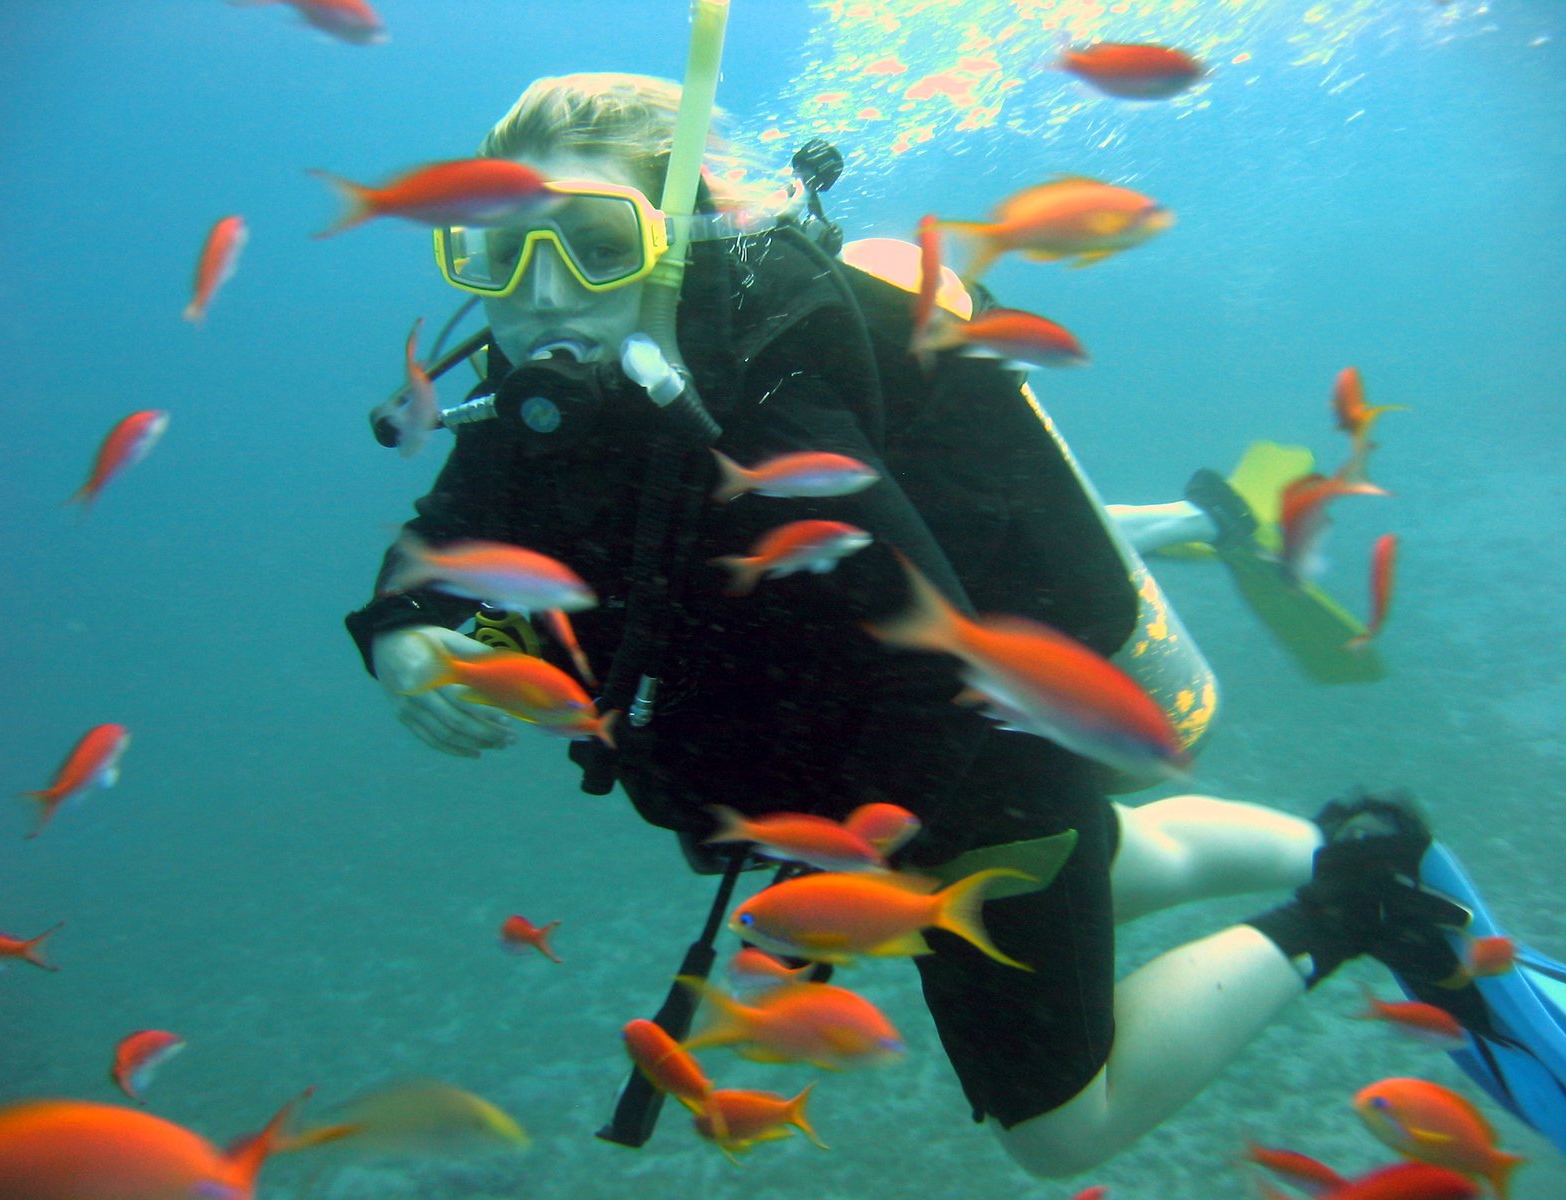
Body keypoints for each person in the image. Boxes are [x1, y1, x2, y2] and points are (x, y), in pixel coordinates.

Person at [343, 72, 1474, 1178]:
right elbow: (447, 534)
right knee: (1101, 859)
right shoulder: (542, 386)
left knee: (1063, 1132)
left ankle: (1348, 904)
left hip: (972, 765)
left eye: (591, 240)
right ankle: (1346, 842)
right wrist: (403, 629)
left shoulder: (768, 396)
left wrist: (854, 865)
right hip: (875, 778)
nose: (541, 289)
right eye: (497, 245)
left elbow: (940, 658)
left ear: (673, 238)